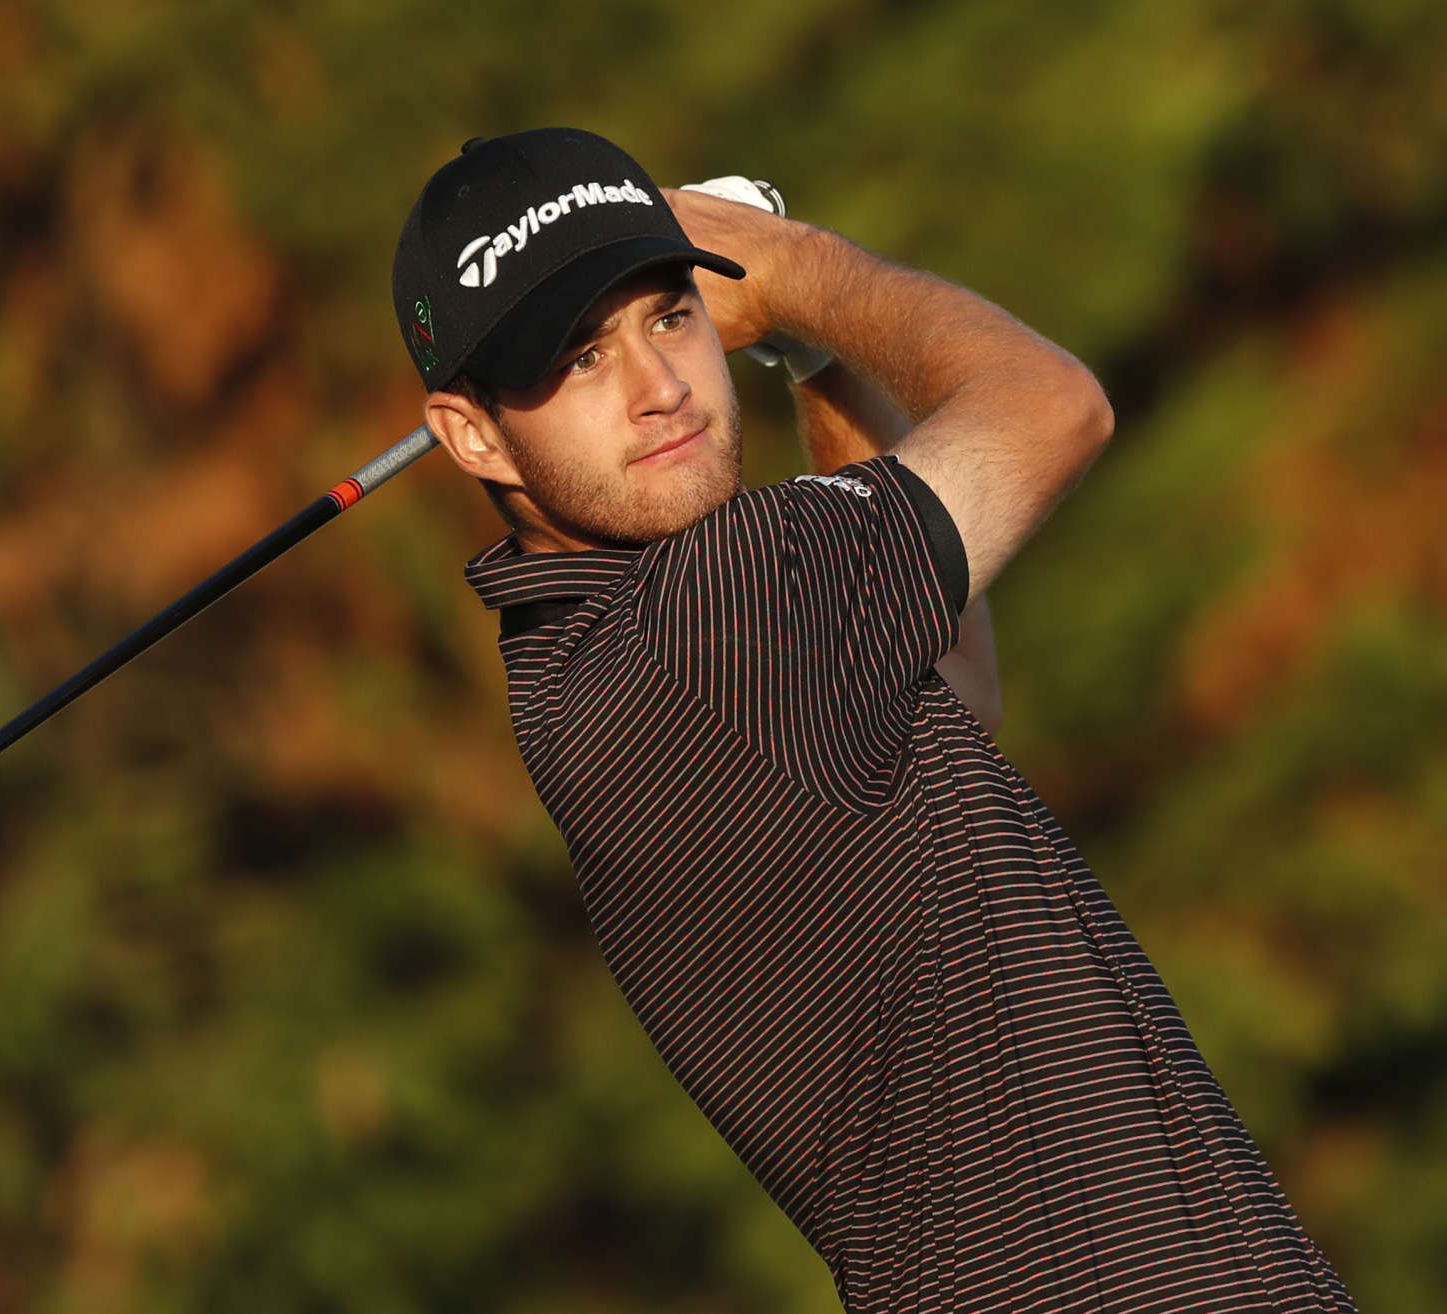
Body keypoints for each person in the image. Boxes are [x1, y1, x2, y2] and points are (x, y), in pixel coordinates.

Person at [391, 128, 1356, 1311]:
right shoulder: (715, 609)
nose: (659, 390)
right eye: (580, 358)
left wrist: (813, 361)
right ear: (473, 433)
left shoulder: (584, 671)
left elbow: (943, 691)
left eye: (670, 316)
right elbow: (1056, 406)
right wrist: (794, 269)